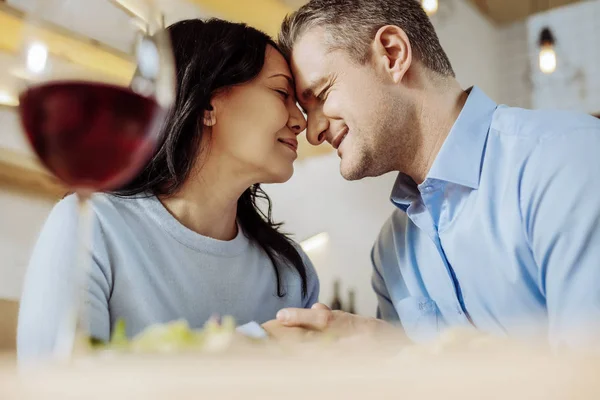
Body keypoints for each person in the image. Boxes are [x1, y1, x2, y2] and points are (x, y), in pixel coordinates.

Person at [271, 0, 600, 350]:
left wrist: (405, 354)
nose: (313, 133)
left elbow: (585, 373)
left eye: (321, 94)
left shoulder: (566, 158)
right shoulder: (390, 252)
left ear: (392, 54)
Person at [17, 18, 319, 362]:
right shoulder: (92, 226)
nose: (300, 121)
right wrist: (253, 345)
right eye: (282, 94)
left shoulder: (292, 272)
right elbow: (52, 381)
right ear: (208, 103)